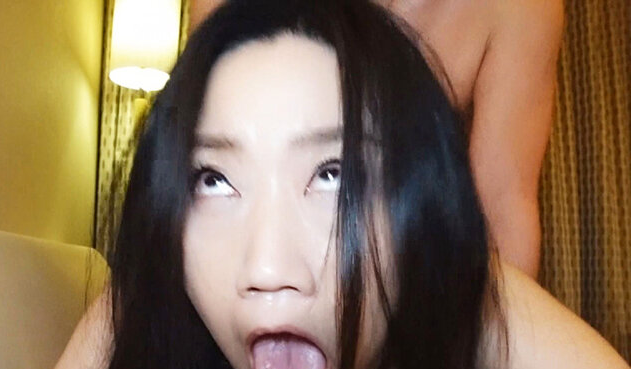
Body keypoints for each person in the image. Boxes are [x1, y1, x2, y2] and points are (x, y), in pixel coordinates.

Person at [0, 1, 630, 369]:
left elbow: (502, 201)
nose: (267, 265)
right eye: (214, 182)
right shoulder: (175, 280)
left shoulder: (520, 10)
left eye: (338, 172)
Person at [190, 0, 564, 279]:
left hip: (412, 281)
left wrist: (492, 355)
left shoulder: (521, 9)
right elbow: (196, 161)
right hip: (248, 256)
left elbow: (503, 210)